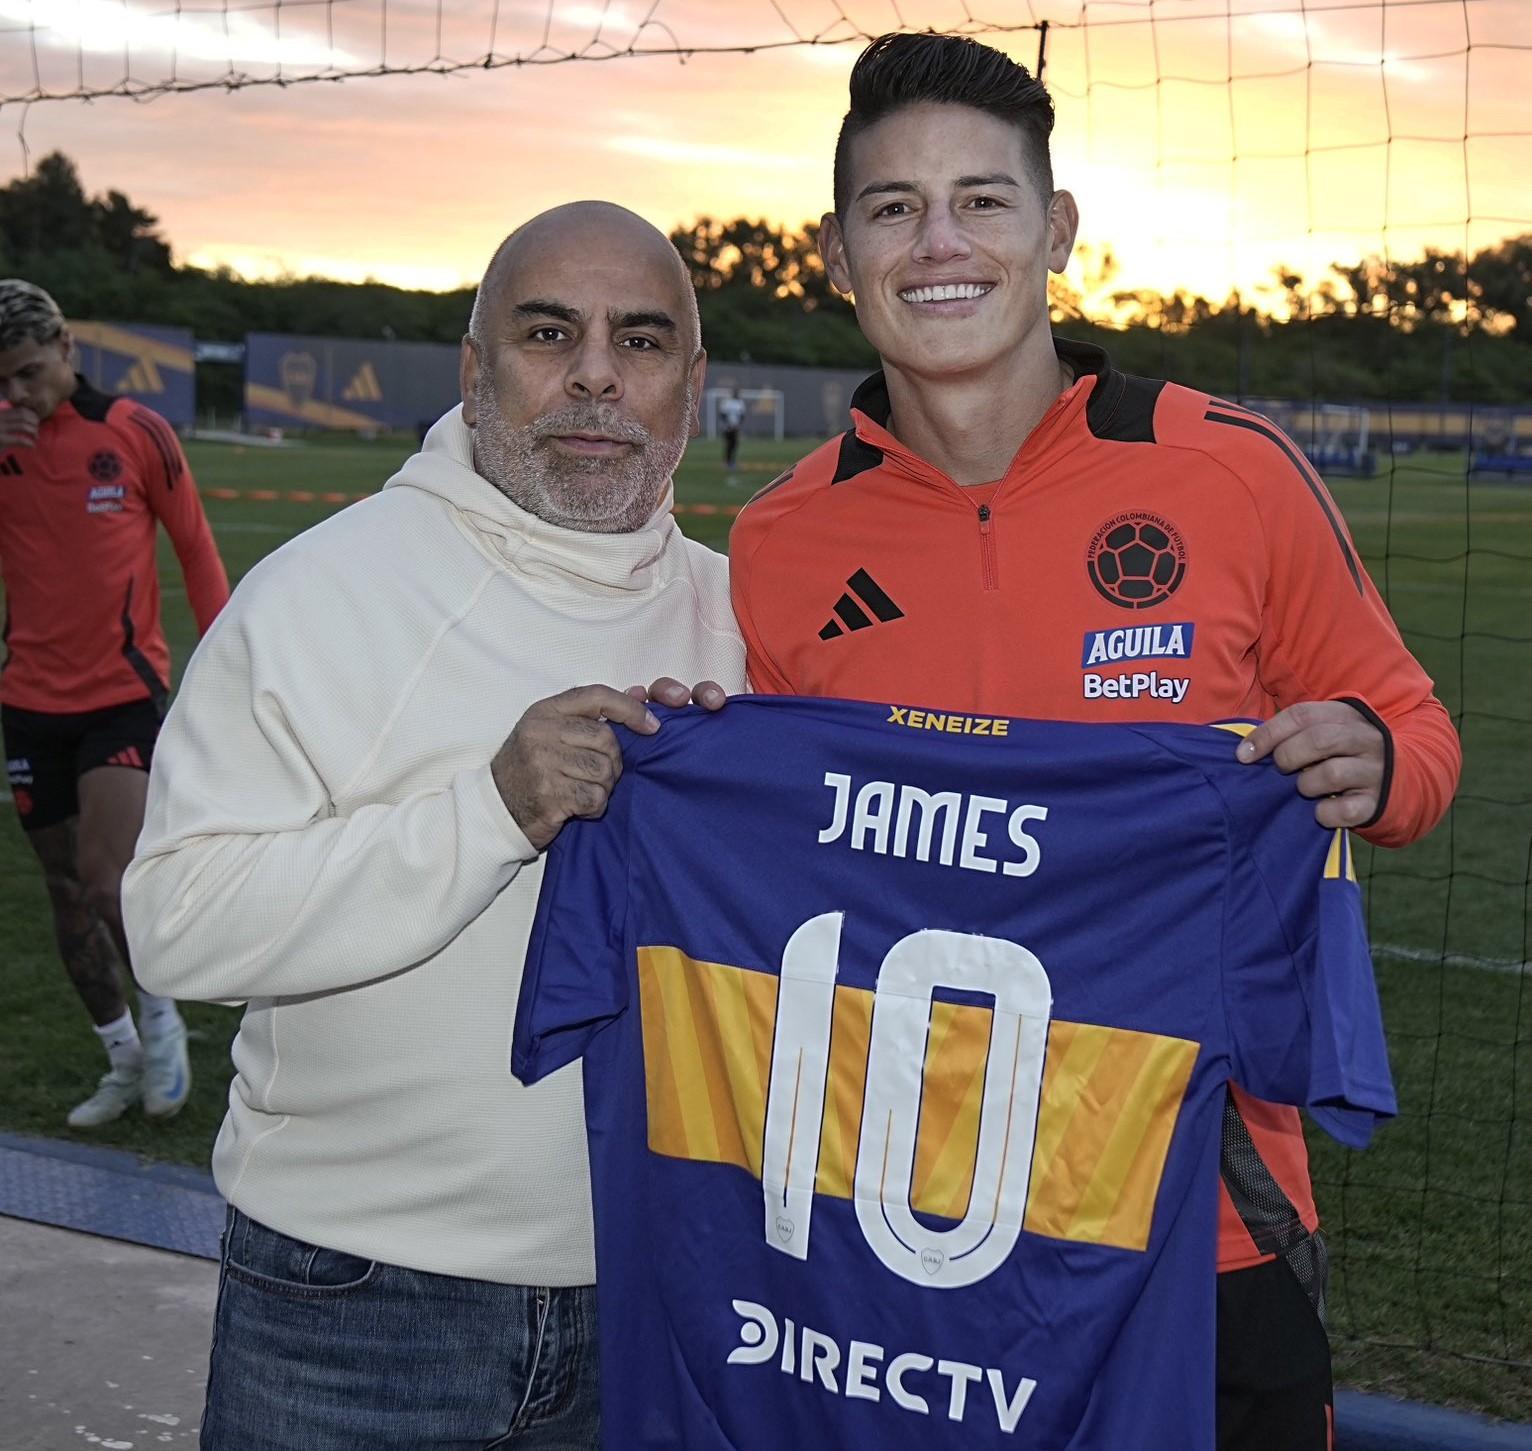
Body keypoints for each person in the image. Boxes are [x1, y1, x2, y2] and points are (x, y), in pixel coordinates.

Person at [728, 33, 1461, 1451]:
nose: (939, 242)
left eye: (982, 200)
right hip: (909, 1234)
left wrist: (1371, 757)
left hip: (1208, 1225)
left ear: (1056, 230)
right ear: (836, 253)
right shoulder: (776, 540)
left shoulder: (1227, 469)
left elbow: (1418, 734)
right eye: (892, 208)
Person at [122, 201, 744, 1450]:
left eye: (639, 341)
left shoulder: (748, 619)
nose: (592, 376)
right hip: (354, 1307)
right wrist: (490, 809)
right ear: (473, 369)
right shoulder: (320, 591)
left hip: (663, 1288)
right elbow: (174, 926)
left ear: (692, 382)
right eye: (546, 333)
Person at [0, 279, 229, 1129]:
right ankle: (122, 1056)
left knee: (108, 882)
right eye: (2, 382)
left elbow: (197, 551)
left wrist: (225, 663)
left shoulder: (135, 433)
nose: (16, 394)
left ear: (65, 347)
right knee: (65, 894)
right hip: (27, 701)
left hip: (122, 698)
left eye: (26, 373)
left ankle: (164, 1023)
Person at [719, 385, 746, 475]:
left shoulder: (740, 403)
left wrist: (737, 425)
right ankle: (727, 462)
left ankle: (731, 461)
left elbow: (742, 416)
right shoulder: (727, 402)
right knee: (729, 444)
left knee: (734, 444)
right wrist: (728, 424)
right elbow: (723, 414)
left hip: (735, 426)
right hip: (728, 427)